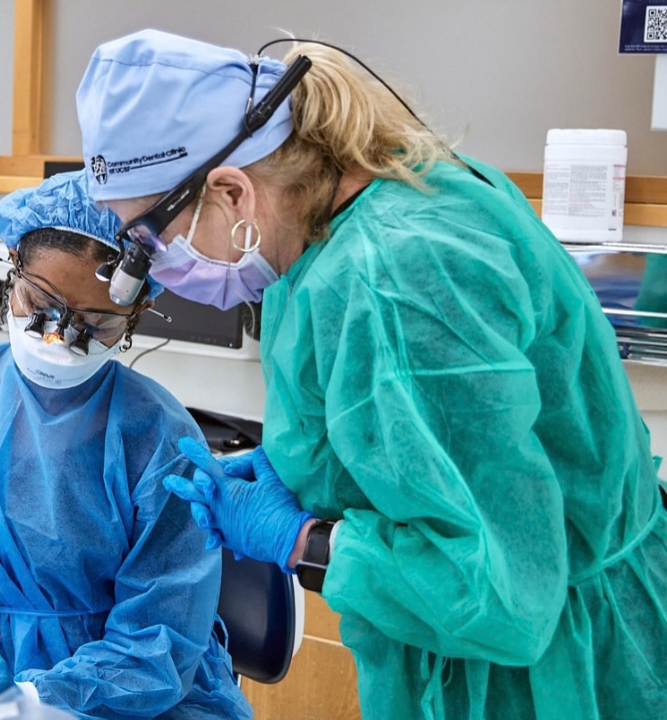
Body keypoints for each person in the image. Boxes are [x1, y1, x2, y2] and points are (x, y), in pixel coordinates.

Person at [74, 29, 667, 720]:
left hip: (547, 677)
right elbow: (411, 427)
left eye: (148, 239)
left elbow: (499, 594)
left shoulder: (395, 277)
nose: (145, 269)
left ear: (231, 191)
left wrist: (299, 540)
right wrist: (297, 465)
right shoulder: (329, 224)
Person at [0, 171, 250, 720]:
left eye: (94, 323)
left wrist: (33, 703)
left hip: (115, 693)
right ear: (13, 268)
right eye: (41, 302)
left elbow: (161, 639)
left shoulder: (158, 436)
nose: (58, 336)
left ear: (138, 311)